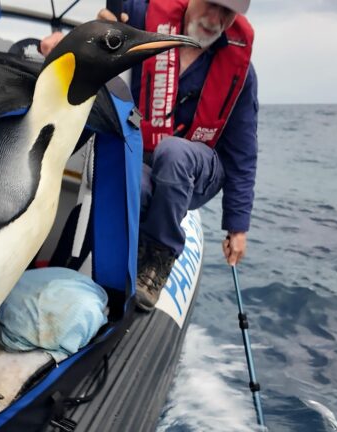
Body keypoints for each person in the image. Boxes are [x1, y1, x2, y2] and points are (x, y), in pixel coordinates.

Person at [41, 0, 258, 312]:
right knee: (133, 184)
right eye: (212, 5)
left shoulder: (242, 71)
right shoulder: (145, 19)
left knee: (174, 151)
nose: (217, 19)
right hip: (145, 158)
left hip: (199, 170)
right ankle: (114, 264)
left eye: (228, 13)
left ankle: (161, 255)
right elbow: (113, 15)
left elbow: (243, 152)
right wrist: (90, 30)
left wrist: (237, 227)